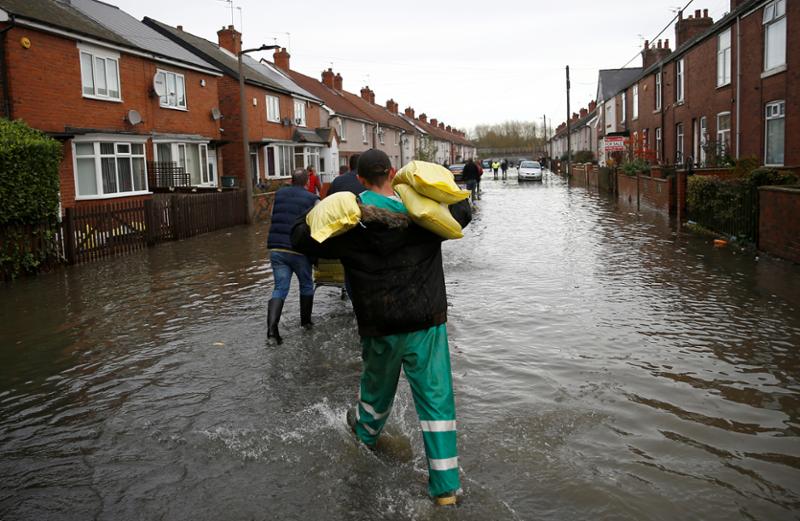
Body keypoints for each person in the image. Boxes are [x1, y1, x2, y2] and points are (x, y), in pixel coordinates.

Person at [291, 149, 471, 506]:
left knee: (375, 391)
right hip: (425, 322)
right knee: (436, 402)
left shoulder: (350, 226)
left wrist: (333, 203)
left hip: (380, 324)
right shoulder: (424, 219)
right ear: (392, 173)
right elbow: (463, 211)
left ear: (359, 179)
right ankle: (445, 490)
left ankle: (365, 439)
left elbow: (301, 236)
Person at [266, 168, 320, 344]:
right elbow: (319, 222)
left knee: (280, 288)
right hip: (299, 250)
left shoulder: (279, 194)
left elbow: (272, 216)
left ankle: (272, 331)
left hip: (276, 248)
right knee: (306, 284)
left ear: (291, 180)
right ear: (307, 182)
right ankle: (306, 323)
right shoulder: (312, 198)